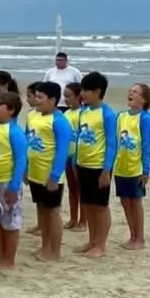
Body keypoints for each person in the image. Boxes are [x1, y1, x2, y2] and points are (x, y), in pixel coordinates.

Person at [26, 81, 73, 262]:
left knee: (52, 212)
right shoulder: (33, 116)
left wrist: (54, 175)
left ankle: (55, 250)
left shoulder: (59, 120)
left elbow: (62, 150)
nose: (36, 101)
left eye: (40, 97)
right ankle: (45, 246)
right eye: (35, 96)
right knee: (42, 210)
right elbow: (27, 140)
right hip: (35, 173)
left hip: (50, 175)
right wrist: (25, 168)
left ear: (53, 100)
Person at [74, 71, 119, 258]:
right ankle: (92, 240)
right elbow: (79, 138)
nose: (82, 94)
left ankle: (101, 244)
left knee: (100, 206)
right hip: (82, 164)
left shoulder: (107, 114)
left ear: (97, 91)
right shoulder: (83, 111)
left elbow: (111, 143)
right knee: (87, 204)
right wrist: (75, 161)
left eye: (86, 90)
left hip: (99, 167)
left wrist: (106, 170)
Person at [0, 91, 28, 270]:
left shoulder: (15, 131)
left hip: (5, 181)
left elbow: (20, 160)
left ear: (11, 110)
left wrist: (14, 185)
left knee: (9, 221)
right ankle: (0, 254)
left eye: (0, 104)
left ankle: (8, 259)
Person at [115, 83, 150, 250]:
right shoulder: (121, 116)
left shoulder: (145, 118)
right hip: (120, 166)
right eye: (130, 91)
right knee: (125, 201)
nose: (131, 93)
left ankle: (140, 238)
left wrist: (146, 170)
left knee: (135, 202)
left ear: (144, 99)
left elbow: (146, 145)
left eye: (135, 92)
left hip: (135, 168)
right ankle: (132, 235)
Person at [61, 82, 84, 232]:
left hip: (80, 155)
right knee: (72, 187)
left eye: (69, 96)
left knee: (82, 189)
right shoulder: (66, 114)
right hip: (67, 154)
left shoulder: (83, 113)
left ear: (78, 96)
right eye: (65, 96)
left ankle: (83, 221)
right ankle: (73, 218)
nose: (66, 99)